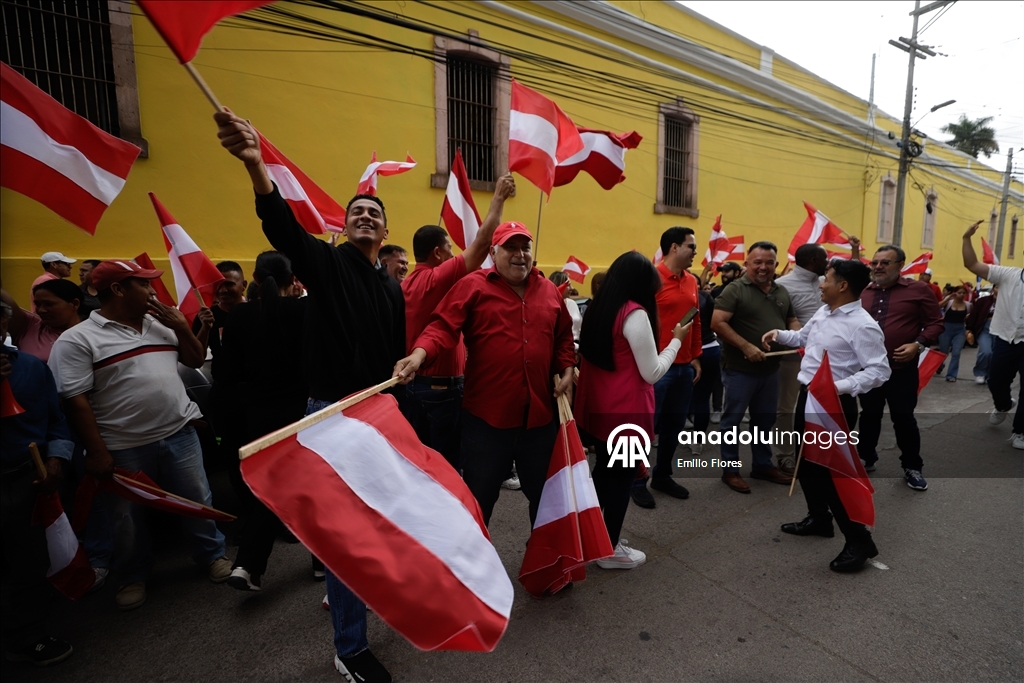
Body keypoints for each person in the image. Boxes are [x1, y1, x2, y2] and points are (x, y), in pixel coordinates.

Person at [216, 110, 402, 683]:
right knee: (346, 539)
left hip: (379, 414)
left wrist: (405, 369)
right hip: (330, 418)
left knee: (374, 527)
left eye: (374, 212)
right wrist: (255, 167)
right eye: (357, 213)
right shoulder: (328, 264)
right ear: (345, 229)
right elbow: (285, 230)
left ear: (386, 232)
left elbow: (389, 351)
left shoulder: (389, 286)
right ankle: (349, 649)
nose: (365, 217)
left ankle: (361, 603)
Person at [48, 260, 230, 612]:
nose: (151, 291)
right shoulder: (77, 340)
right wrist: (97, 452)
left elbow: (193, 360)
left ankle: (212, 556)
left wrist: (181, 327)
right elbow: (76, 401)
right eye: (144, 284)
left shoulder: (161, 323)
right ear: (118, 290)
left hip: (179, 433)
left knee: (197, 498)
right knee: (125, 517)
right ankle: (133, 575)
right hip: (122, 447)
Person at [394, 221, 575, 530]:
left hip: (540, 418)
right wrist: (419, 353)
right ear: (493, 252)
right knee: (479, 501)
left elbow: (563, 338)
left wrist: (567, 367)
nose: (520, 254)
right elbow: (442, 326)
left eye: (525, 247)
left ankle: (549, 568)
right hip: (486, 421)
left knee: (547, 499)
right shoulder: (473, 285)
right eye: (511, 247)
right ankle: (472, 572)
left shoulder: (548, 290)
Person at [764, 259, 890, 572]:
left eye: (827, 279)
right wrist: (779, 334)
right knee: (806, 465)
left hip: (833, 406)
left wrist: (839, 386)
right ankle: (819, 519)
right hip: (808, 397)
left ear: (842, 285)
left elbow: (879, 370)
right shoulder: (824, 311)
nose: (821, 284)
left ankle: (859, 540)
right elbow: (803, 338)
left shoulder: (862, 324)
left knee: (830, 475)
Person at [576, 252, 692, 568]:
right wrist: (677, 341)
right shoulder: (634, 313)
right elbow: (652, 372)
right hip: (626, 414)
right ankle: (608, 549)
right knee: (621, 483)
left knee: (604, 474)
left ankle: (587, 534)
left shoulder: (599, 307)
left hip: (601, 410)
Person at [402, 176, 514, 470]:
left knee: (418, 466)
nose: (455, 253)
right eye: (450, 248)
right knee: (446, 469)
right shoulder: (435, 280)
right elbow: (481, 247)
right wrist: (498, 198)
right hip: (441, 392)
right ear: (437, 253)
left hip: (413, 389)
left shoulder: (403, 285)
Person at [223, 251, 308, 592]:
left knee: (269, 486)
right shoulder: (305, 312)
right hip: (304, 412)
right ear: (293, 280)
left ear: (254, 280)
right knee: (309, 487)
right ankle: (322, 564)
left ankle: (248, 564)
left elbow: (226, 373)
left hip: (256, 416)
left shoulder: (238, 316)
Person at [0, 301, 76, 666]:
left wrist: (56, 458)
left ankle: (28, 634)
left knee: (29, 559)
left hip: (24, 478)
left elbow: (56, 420)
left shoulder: (30, 367)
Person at [711, 241, 798, 493]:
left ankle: (762, 464)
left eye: (769, 262)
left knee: (764, 421)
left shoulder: (781, 291)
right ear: (747, 264)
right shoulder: (734, 290)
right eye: (757, 262)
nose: (763, 267)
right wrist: (746, 347)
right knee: (732, 422)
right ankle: (730, 470)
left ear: (776, 264)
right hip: (740, 370)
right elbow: (717, 323)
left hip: (771, 370)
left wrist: (797, 335)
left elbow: (792, 320)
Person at [858, 245, 944, 489]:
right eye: (875, 263)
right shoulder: (862, 291)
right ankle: (865, 457)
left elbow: (936, 323)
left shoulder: (919, 290)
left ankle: (912, 467)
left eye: (885, 262)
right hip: (868, 370)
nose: (878, 267)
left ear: (900, 265)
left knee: (904, 419)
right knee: (869, 416)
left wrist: (918, 344)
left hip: (901, 369)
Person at [631, 227, 702, 507]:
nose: (695, 251)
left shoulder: (693, 281)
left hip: (683, 368)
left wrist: (695, 355)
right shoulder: (650, 279)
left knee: (673, 426)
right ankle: (637, 481)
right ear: (674, 247)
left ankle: (662, 475)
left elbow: (694, 320)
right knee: (645, 428)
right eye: (691, 246)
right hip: (656, 368)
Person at [962, 221, 1024, 450]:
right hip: (1005, 339)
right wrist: (966, 238)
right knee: (997, 380)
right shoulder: (1008, 274)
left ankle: (1020, 431)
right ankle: (1003, 404)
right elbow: (972, 264)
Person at [774, 243, 829, 474]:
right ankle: (785, 455)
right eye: (825, 259)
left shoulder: (827, 282)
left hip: (824, 358)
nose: (828, 264)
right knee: (785, 408)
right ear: (815, 260)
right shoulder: (781, 286)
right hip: (793, 358)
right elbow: (777, 321)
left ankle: (817, 451)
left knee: (820, 407)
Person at [1, 280, 83, 362]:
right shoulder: (28, 327)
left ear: (75, 304)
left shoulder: (89, 334)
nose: (41, 310)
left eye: (49, 304)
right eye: (37, 304)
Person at [689, 279, 720, 456]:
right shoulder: (706, 298)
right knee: (703, 398)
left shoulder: (684, 299)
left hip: (687, 350)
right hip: (710, 347)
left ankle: (658, 435)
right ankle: (697, 442)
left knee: (674, 397)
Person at [937, 285, 971, 382]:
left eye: (963, 293)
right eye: (959, 292)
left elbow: (972, 316)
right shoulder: (949, 302)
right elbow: (937, 307)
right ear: (955, 293)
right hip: (946, 328)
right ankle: (939, 365)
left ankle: (951, 375)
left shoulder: (968, 305)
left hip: (960, 329)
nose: (961, 295)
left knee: (956, 352)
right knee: (943, 352)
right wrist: (947, 299)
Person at [966, 285, 998, 385]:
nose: (999, 289)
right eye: (997, 287)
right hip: (985, 328)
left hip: (1000, 329)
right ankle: (980, 372)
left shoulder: (1009, 301)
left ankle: (990, 375)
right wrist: (969, 328)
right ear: (993, 289)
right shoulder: (983, 301)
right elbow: (974, 314)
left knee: (995, 354)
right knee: (986, 351)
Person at [549, 271, 583, 345]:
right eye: (568, 285)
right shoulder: (550, 305)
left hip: (575, 348)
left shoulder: (572, 303)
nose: (572, 288)